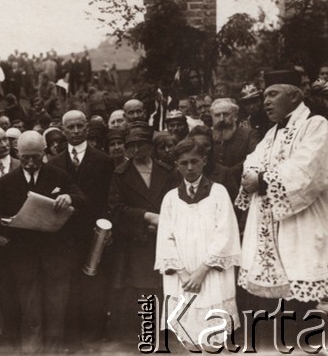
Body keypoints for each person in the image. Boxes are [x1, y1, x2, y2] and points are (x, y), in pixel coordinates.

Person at [236, 69, 328, 347]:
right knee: (282, 293)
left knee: (304, 282)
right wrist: (255, 176)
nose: (266, 102)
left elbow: (307, 170)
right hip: (275, 223)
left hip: (306, 220)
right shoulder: (272, 133)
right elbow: (252, 161)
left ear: (294, 95)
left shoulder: (316, 126)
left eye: (273, 94)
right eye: (265, 96)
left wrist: (263, 178)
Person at [0, 131, 86, 353]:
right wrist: (6, 222)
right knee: (30, 313)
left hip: (57, 259)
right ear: (17, 154)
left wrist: (69, 198)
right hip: (24, 260)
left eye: (35, 157)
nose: (31, 163)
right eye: (25, 158)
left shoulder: (59, 176)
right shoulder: (6, 182)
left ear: (44, 152)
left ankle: (53, 352)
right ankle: (31, 352)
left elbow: (81, 200)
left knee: (56, 312)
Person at [155, 138, 241, 348]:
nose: (190, 167)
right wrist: (184, 273)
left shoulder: (218, 192)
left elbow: (226, 234)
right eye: (183, 163)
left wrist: (202, 271)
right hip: (182, 277)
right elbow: (165, 238)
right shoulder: (171, 198)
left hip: (211, 273)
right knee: (187, 336)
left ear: (204, 160)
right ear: (176, 165)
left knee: (214, 336)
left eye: (194, 161)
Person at [48, 110, 115, 346]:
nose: (75, 131)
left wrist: (108, 229)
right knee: (70, 285)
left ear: (87, 128)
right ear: (63, 130)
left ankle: (95, 335)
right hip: (65, 236)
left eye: (79, 126)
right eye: (70, 127)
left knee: (95, 284)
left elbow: (110, 199)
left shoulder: (104, 160)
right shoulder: (54, 163)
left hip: (94, 233)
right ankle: (71, 338)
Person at [108, 123, 176, 342]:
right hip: (137, 241)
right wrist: (146, 217)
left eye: (141, 144)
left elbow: (176, 202)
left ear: (150, 145)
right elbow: (116, 209)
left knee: (166, 286)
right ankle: (147, 336)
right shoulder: (120, 174)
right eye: (131, 145)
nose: (136, 149)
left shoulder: (166, 171)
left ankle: (167, 334)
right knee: (144, 288)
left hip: (166, 238)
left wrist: (164, 223)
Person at [211, 98, 259, 182]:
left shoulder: (249, 135)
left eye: (226, 114)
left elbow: (254, 159)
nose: (221, 119)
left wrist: (226, 174)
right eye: (217, 115)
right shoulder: (208, 137)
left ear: (235, 117)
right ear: (212, 118)